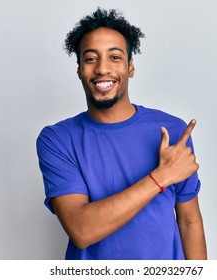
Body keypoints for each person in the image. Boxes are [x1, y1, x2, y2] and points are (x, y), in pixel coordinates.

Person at [36, 7, 207, 260]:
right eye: (91, 58)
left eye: (115, 57)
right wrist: (162, 176)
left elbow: (189, 221)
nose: (103, 69)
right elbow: (82, 229)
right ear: (79, 70)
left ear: (131, 67)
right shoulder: (58, 140)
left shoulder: (172, 130)